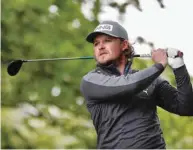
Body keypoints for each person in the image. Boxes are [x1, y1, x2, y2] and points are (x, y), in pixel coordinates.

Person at [80, 20, 193, 149]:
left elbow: (186, 107)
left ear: (124, 45)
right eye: (96, 44)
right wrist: (159, 65)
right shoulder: (91, 80)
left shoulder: (150, 80)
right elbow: (127, 85)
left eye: (107, 41)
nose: (100, 47)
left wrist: (179, 66)